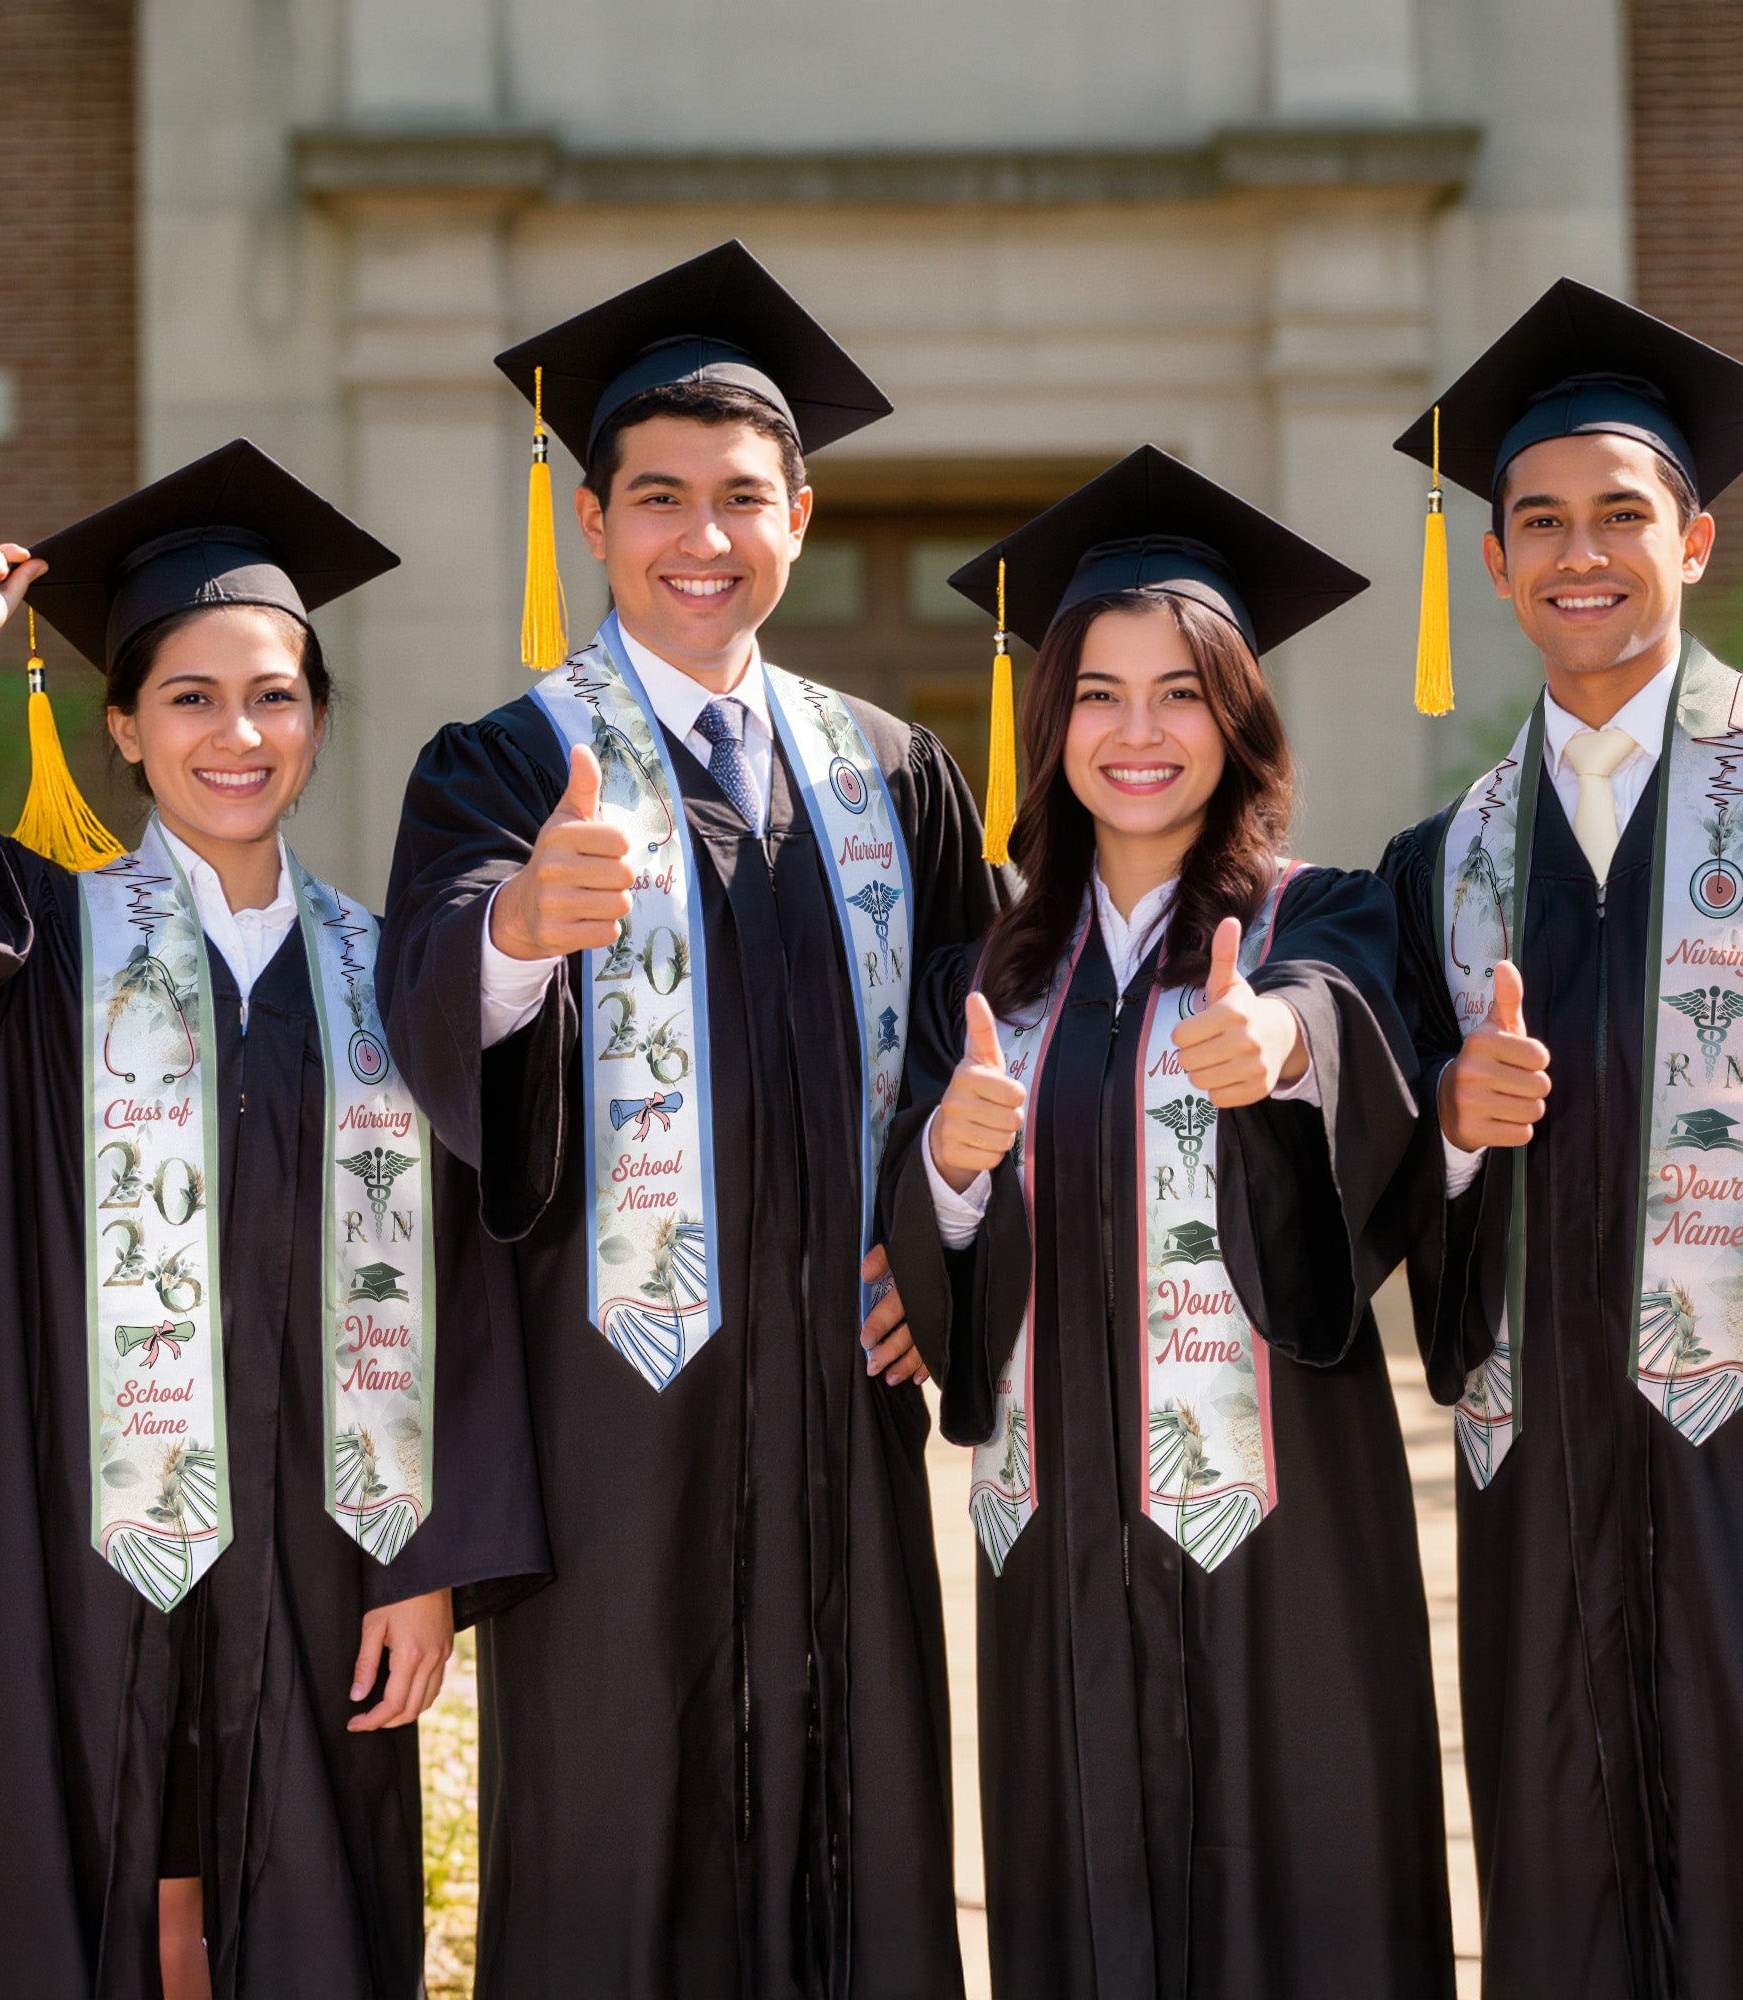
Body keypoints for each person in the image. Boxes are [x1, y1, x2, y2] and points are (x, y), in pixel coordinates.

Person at [379, 241, 1003, 1998]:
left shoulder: (893, 772)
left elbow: (993, 1042)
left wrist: (943, 1245)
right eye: (659, 498)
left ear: (800, 515)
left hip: (840, 1402)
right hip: (614, 1417)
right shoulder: (501, 764)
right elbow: (425, 997)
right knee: (617, 1833)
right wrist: (515, 931)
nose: (701, 538)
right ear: (593, 521)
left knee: (858, 1817)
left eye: (743, 498)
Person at [0, 440, 547, 2000]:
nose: (236, 733)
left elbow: (467, 1277)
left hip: (327, 1551)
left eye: (275, 694)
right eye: (188, 697)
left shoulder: (393, 976)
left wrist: (429, 1560)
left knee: (304, 1898)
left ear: (317, 719)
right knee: (81, 1867)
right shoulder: (36, 950)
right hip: (73, 1531)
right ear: (121, 726)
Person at [879, 446, 1453, 2000]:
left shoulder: (1318, 916)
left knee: (1306, 1895)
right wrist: (945, 1159)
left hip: (1283, 1530)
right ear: (1049, 720)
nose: (1140, 733)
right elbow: (931, 1249)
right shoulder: (985, 978)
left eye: (1183, 692)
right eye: (1100, 694)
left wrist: (1279, 1049)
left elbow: (1348, 1028)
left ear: (1240, 717)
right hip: (1055, 1527)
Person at [1380, 279, 1743, 1998]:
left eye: (1620, 515)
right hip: (1542, 1483)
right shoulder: (1441, 860)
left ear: (1697, 538)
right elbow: (1374, 1180)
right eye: (1538, 522)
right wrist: (1447, 1126)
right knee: (1565, 1894)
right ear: (1499, 562)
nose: (1577, 552)